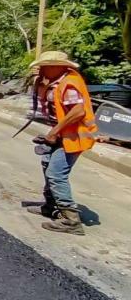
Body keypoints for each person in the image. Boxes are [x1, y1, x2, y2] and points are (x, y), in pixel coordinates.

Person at [25, 51, 97, 235]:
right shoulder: (55, 82)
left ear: (57, 66)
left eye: (45, 66)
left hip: (73, 137)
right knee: (47, 165)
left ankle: (71, 221)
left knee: (56, 174)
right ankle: (51, 207)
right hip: (61, 135)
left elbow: (78, 112)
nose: (41, 69)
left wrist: (54, 132)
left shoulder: (69, 83)